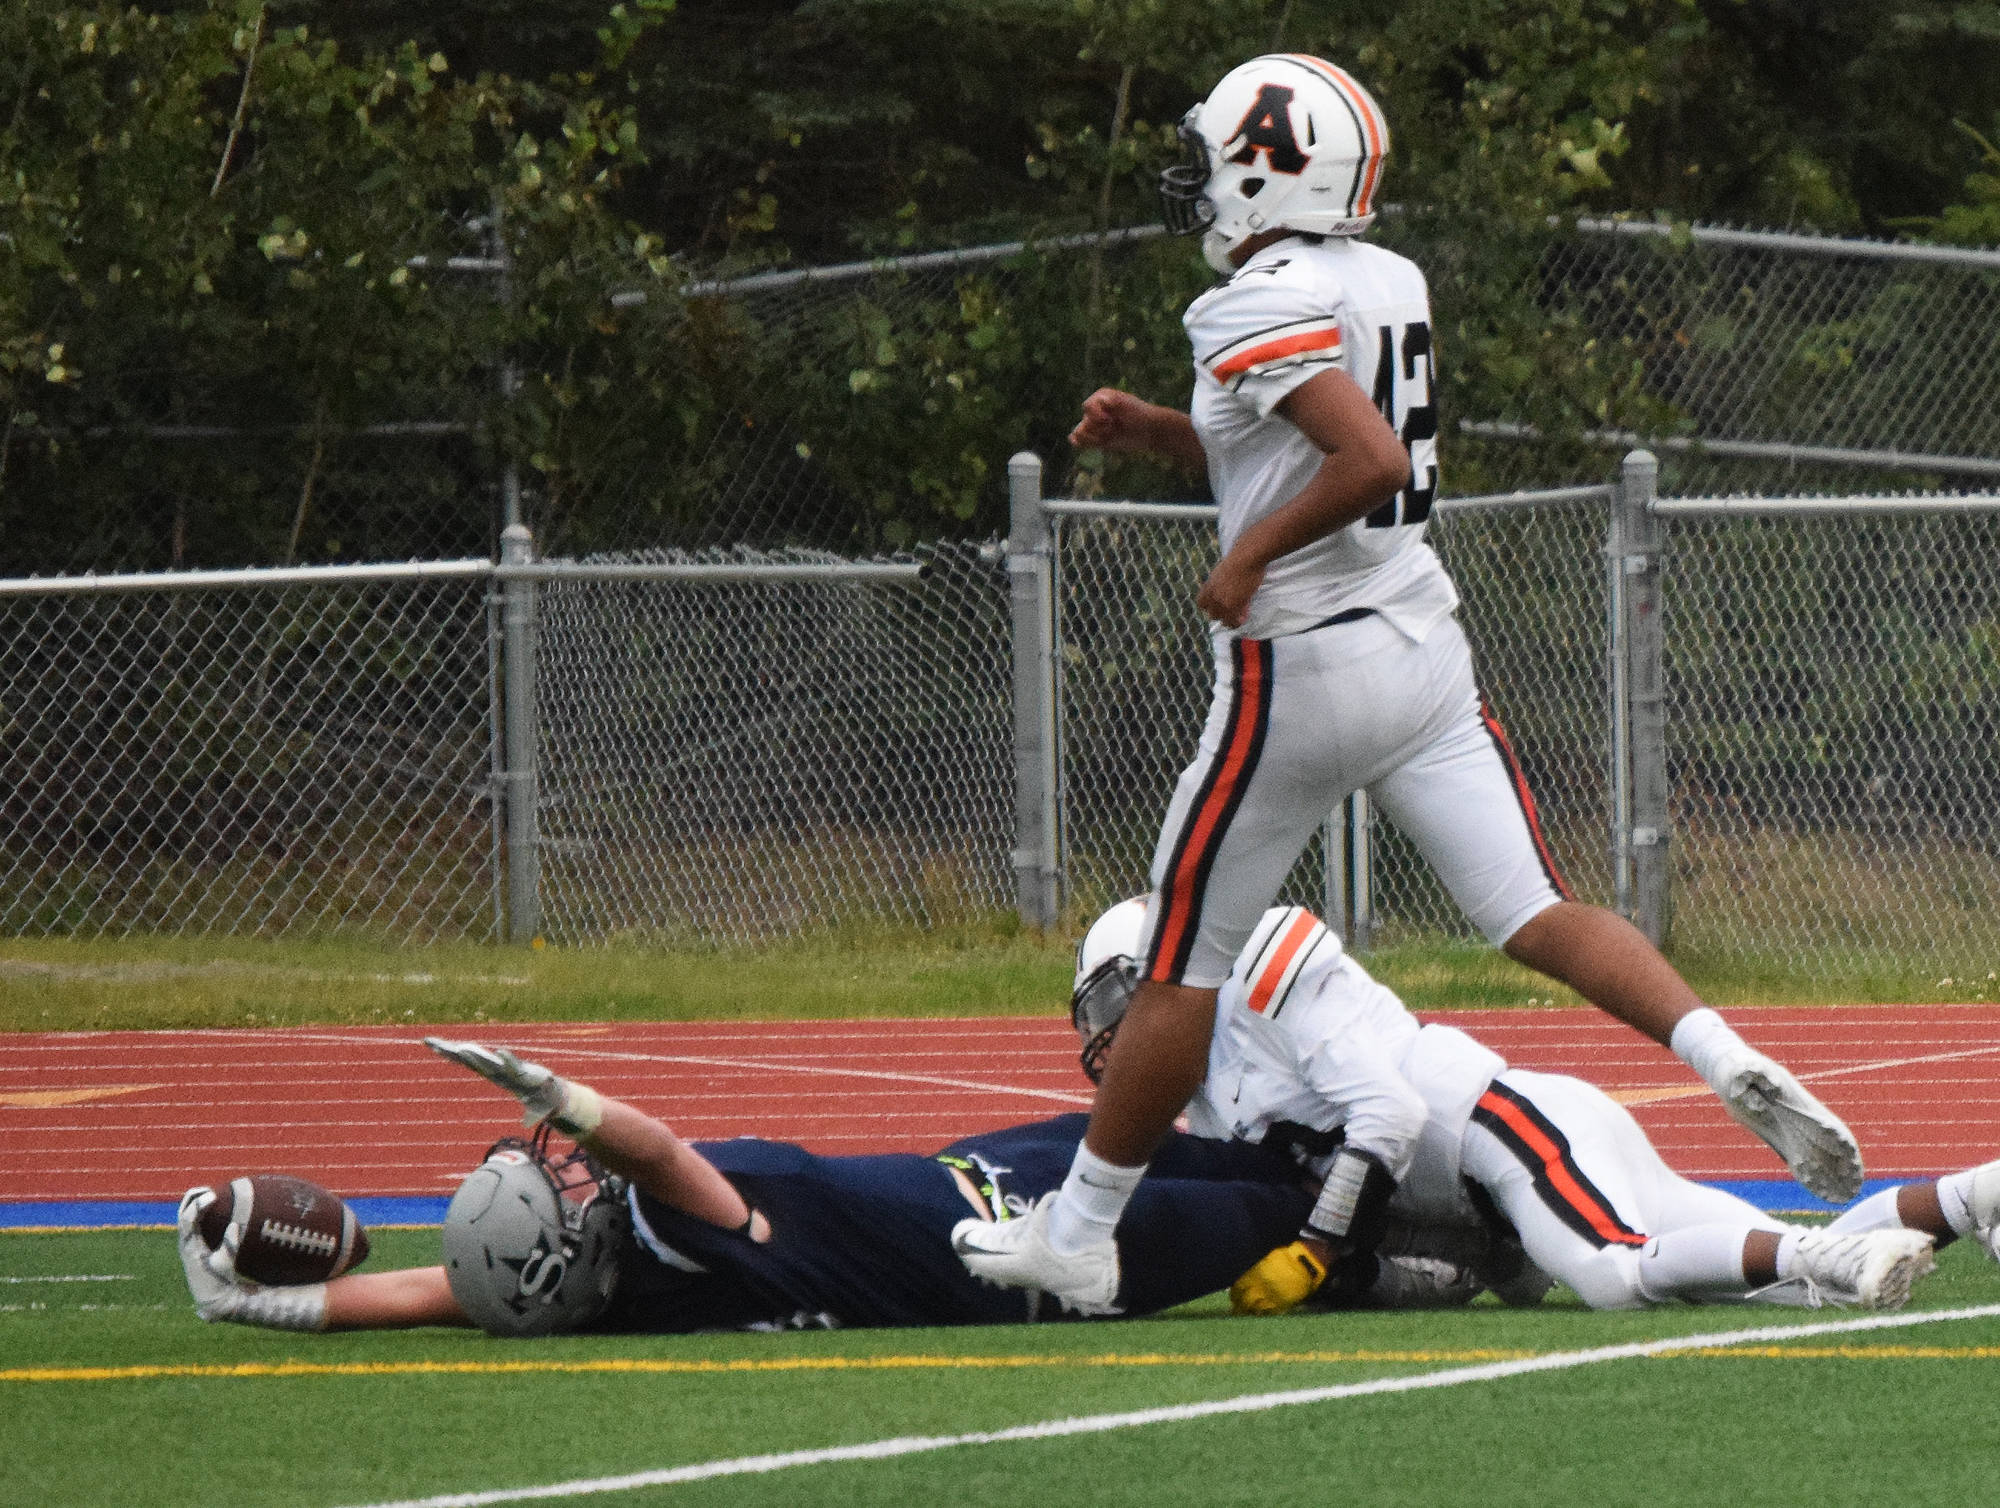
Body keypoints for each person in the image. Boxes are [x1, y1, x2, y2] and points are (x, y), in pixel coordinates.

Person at [954, 52, 1862, 1313]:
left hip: (1301, 666)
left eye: (1209, 154)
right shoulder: (1383, 275)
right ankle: (1721, 1049)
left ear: (1265, 166)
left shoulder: (1239, 301)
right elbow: (1285, 435)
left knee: (1176, 959)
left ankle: (1081, 1229)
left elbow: (1362, 456)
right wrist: (1162, 430)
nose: (1195, 178)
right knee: (1531, 906)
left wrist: (1246, 562)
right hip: (1421, 645)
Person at [1038, 898, 1999, 1317]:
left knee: (1617, 1278)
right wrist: (1364, 1273)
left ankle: (1812, 1248)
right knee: (1785, 1285)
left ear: (1174, 974)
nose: (1118, 1043)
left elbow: (1387, 1119)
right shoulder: (1210, 1106)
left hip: (1501, 1129)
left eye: (1124, 1006)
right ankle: (1977, 1197)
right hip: (1501, 1171)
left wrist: (1317, 1250)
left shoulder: (1259, 971)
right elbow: (1382, 1218)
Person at [175, 1037, 1322, 1336]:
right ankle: (1395, 1240)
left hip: (970, 1174)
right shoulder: (677, 1236)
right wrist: (560, 1092)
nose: (565, 1170)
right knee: (1280, 1206)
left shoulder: (593, 1288)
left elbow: (439, 1289)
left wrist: (259, 1298)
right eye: (555, 1179)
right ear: (562, 1248)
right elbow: (664, 1150)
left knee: (1222, 1148)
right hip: (1016, 1247)